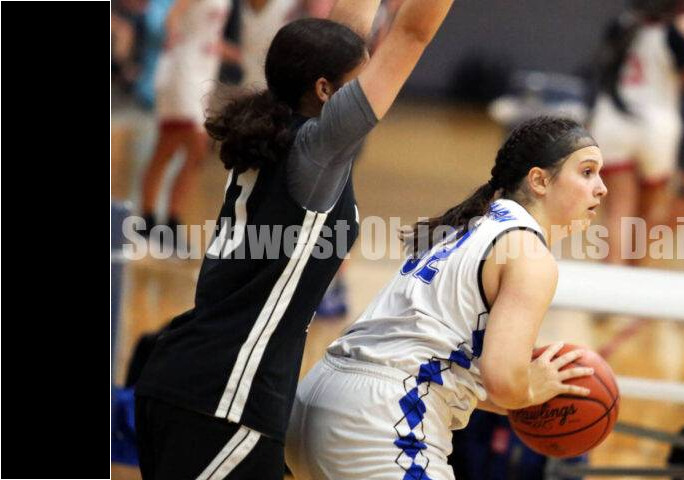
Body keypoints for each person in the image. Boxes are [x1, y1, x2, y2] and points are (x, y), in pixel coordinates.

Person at [133, 0, 456, 477]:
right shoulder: (317, 150)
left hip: (188, 382)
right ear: (325, 91)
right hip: (226, 400)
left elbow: (343, 32)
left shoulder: (276, 127)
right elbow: (410, 35)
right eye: (358, 82)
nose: (369, 93)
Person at [285, 116, 608, 480]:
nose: (601, 188)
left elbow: (450, 367)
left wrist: (522, 393)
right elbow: (504, 381)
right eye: (587, 172)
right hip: (382, 421)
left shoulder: (463, 225)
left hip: (316, 399)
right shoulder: (529, 254)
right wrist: (530, 388)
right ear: (539, 180)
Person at [587, 0, 684, 264]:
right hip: (657, 126)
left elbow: (599, 70)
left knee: (619, 211)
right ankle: (629, 280)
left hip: (613, 121)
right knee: (645, 217)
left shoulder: (622, 24)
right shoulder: (677, 30)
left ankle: (612, 279)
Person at [137, 0, 237, 242]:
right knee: (195, 146)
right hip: (182, 70)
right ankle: (164, 221)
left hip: (202, 72)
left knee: (168, 148)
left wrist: (240, 55)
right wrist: (172, 32)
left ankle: (156, 220)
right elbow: (171, 16)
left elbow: (208, 33)